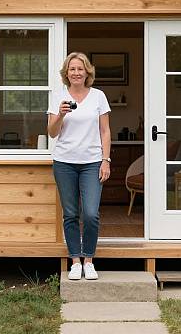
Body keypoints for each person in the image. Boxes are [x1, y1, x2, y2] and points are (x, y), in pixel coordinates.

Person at [47, 52, 111, 280]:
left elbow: (105, 131)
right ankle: (75, 261)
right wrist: (60, 116)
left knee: (91, 213)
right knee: (71, 213)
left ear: (87, 72)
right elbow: (52, 133)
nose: (76, 73)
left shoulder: (98, 96)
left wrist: (106, 160)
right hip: (64, 162)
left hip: (92, 162)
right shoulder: (59, 97)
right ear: (67, 73)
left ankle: (89, 260)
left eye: (80, 69)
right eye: (72, 69)